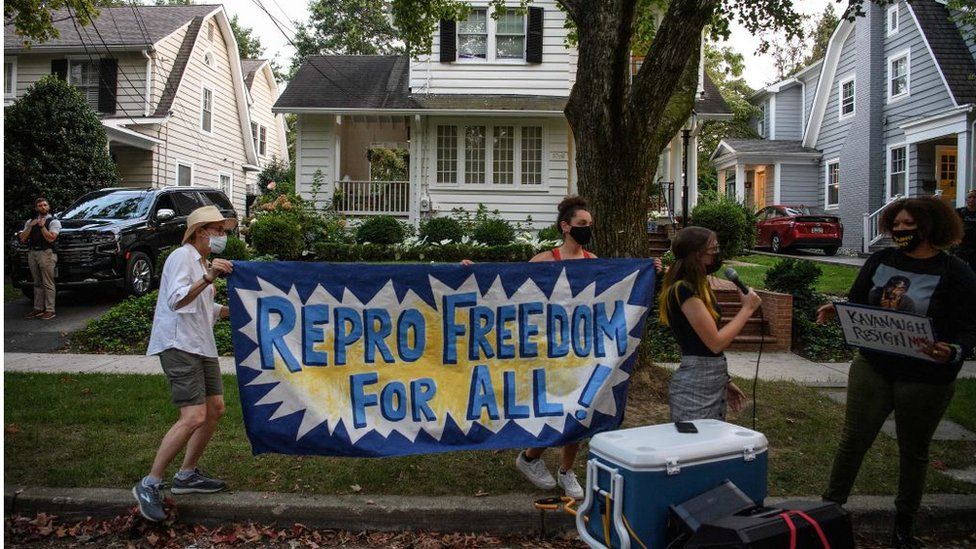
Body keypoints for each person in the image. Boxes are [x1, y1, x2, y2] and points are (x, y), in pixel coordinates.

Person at [817, 196, 976, 549]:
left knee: (913, 450)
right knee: (853, 440)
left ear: (931, 226)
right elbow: (858, 301)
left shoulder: (955, 272)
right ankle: (828, 511)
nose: (901, 231)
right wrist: (838, 309)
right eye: (897, 225)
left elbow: (969, 329)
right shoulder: (880, 260)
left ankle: (903, 526)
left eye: (909, 225)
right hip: (873, 366)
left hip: (926, 377)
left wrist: (954, 350)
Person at [132, 205, 236, 522]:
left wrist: (234, 309)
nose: (223, 236)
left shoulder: (202, 263)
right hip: (179, 344)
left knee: (215, 408)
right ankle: (149, 484)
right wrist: (209, 277)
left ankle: (187, 475)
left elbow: (204, 307)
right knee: (193, 416)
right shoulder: (183, 257)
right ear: (201, 231)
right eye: (218, 230)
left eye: (223, 231)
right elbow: (177, 299)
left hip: (200, 344)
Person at [657, 226, 762, 422]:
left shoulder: (698, 286)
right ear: (697, 254)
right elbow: (715, 342)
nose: (717, 254)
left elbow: (703, 346)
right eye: (713, 249)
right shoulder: (683, 290)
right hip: (695, 388)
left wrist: (725, 380)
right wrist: (747, 309)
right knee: (695, 448)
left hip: (710, 379)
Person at [18, 197, 62, 320]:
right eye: (40, 205)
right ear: (36, 208)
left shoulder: (53, 222)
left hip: (47, 253)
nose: (43, 207)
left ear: (48, 207)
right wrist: (30, 227)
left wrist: (42, 227)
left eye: (45, 205)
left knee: (48, 282)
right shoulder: (30, 222)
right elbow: (22, 238)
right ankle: (38, 308)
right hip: (33, 253)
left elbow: (51, 238)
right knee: (37, 282)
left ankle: (50, 309)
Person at [956, 189, 976, 273]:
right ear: (966, 199)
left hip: (975, 248)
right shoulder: (959, 212)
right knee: (959, 271)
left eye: (974, 197)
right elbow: (952, 226)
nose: (972, 199)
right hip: (962, 247)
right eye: (970, 197)